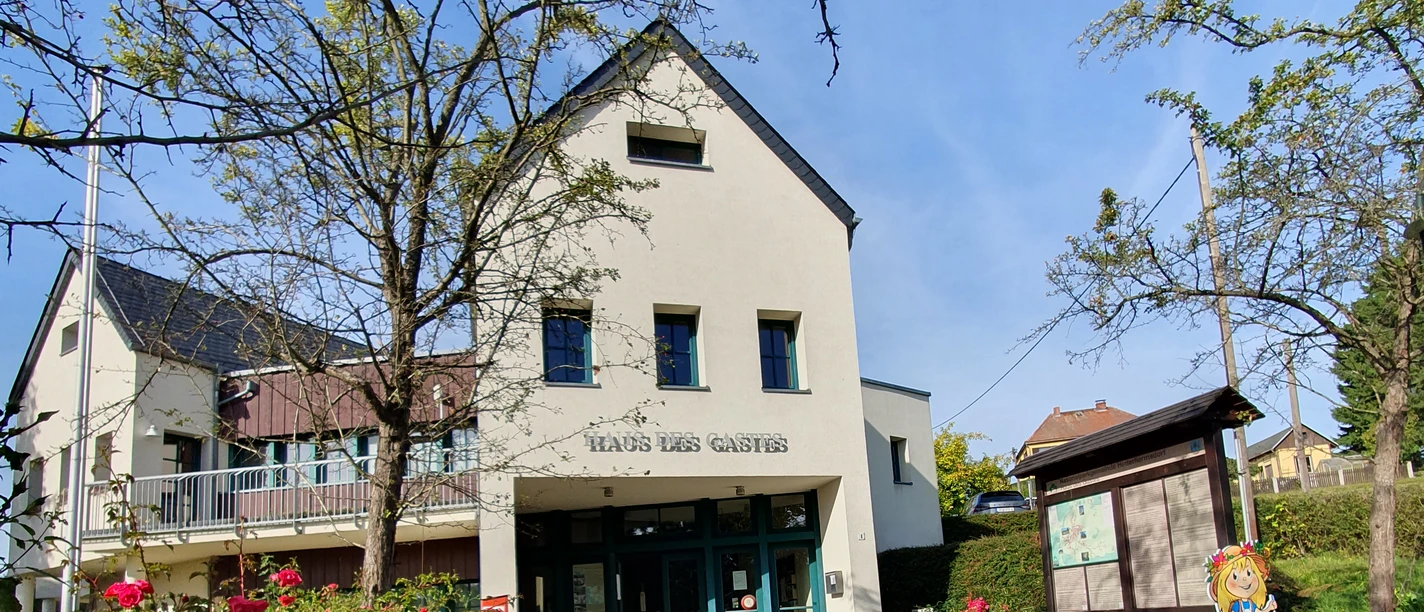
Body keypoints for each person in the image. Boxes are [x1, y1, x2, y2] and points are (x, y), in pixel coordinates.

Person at [1207, 543, 1277, 612]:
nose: (1244, 578)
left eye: (1249, 573)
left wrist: (1269, 608)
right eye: (1235, 576)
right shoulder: (1236, 605)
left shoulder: (1252, 604)